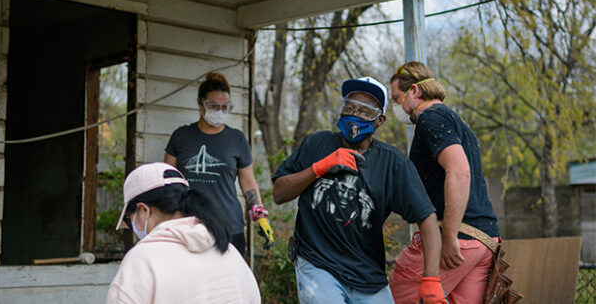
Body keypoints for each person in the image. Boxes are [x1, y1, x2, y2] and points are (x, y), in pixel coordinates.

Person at [272, 76, 448, 304]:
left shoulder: (392, 164)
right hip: (317, 264)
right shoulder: (316, 145)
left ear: (379, 120)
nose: (354, 115)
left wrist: (431, 279)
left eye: (365, 111)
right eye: (349, 107)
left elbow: (427, 218)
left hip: (367, 275)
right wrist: (319, 168)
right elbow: (279, 193)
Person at [389, 61, 500, 303]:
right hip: (485, 241)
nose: (396, 106)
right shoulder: (457, 122)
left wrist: (448, 238)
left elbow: (460, 172)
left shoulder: (431, 117)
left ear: (415, 91)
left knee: (389, 298)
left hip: (457, 239)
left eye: (397, 98)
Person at [106, 162, 261, 303]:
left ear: (143, 210)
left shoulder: (142, 259)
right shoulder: (229, 252)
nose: (132, 227)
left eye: (128, 219)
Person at [164, 72, 274, 256]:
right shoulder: (181, 136)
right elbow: (167, 181)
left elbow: (248, 182)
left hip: (228, 225)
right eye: (214, 106)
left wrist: (260, 215)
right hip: (188, 225)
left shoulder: (236, 139)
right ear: (200, 103)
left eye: (225, 107)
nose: (219, 111)